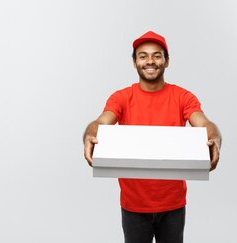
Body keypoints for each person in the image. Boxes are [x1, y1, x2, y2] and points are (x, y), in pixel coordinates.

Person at [83, 31, 222, 243]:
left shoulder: (182, 97)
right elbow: (101, 122)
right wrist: (90, 134)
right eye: (143, 56)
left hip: (173, 205)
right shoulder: (121, 97)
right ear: (134, 62)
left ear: (166, 62)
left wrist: (215, 139)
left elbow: (205, 123)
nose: (150, 61)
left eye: (157, 56)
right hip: (133, 205)